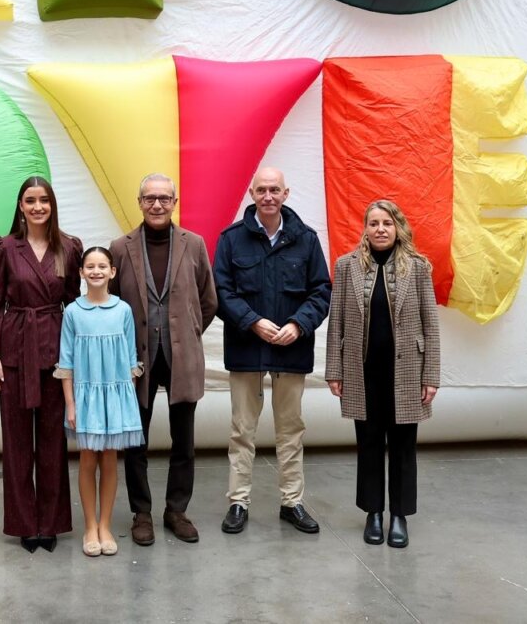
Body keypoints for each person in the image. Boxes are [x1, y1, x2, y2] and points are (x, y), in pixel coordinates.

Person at [214, 167, 331, 535]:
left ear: (286, 193)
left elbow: (321, 291)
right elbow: (220, 291)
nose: (268, 196)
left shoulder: (306, 239)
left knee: (291, 429)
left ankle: (292, 502)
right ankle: (238, 502)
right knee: (241, 430)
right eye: (262, 189)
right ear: (251, 193)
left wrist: (298, 324)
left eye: (274, 190)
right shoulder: (231, 239)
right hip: (247, 347)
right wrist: (252, 321)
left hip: (290, 349)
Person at [326, 199, 441, 549]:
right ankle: (373, 513)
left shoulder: (418, 268)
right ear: (365, 228)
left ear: (398, 228)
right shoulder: (347, 267)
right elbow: (337, 322)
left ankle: (400, 516)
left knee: (404, 446)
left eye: (387, 223)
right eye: (373, 223)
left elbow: (431, 326)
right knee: (370, 444)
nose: (380, 229)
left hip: (406, 371)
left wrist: (431, 375)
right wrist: (335, 368)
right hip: (363, 372)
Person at [110, 173, 218, 546]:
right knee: (134, 442)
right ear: (139, 202)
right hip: (135, 361)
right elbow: (109, 303)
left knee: (183, 440)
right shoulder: (120, 248)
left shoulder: (195, 244)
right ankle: (141, 513)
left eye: (164, 198)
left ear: (174, 203)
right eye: (150, 198)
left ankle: (176, 510)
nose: (157, 204)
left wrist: (186, 334)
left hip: (181, 357)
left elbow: (208, 300)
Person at [0, 176, 83, 552]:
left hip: (56, 350)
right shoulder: (6, 248)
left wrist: (78, 356)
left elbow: (75, 306)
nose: (38, 206)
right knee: (18, 442)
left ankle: (52, 523)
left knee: (53, 442)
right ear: (20, 206)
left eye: (44, 200)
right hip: (14, 351)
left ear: (52, 204)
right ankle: (26, 523)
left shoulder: (69, 248)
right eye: (30, 200)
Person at [55, 246, 144, 557]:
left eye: (102, 266)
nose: (95, 271)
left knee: (109, 460)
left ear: (112, 272)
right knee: (88, 459)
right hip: (85, 397)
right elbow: (65, 361)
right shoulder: (73, 312)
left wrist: (125, 400)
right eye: (89, 266)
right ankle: (89, 525)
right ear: (81, 272)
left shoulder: (123, 311)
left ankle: (105, 524)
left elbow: (131, 359)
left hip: (116, 396)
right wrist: (70, 404)